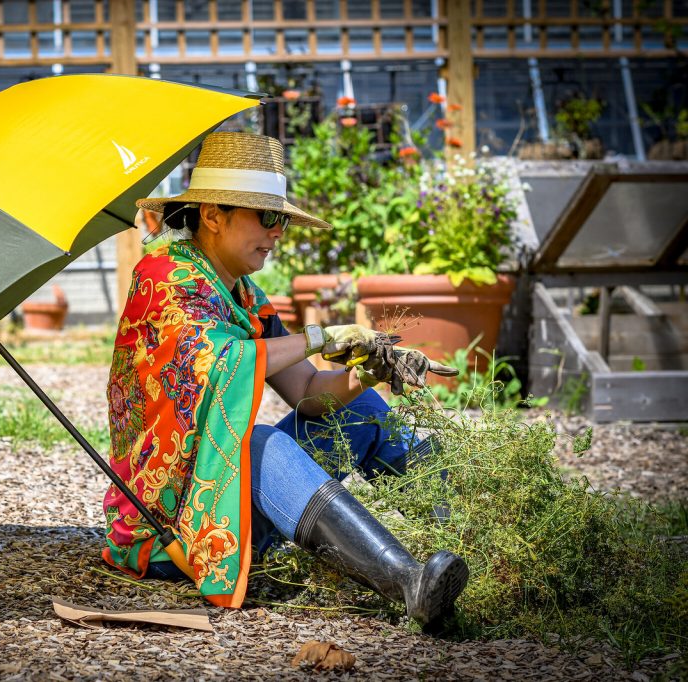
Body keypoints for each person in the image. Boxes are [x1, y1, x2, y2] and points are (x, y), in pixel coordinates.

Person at [101, 131, 468, 628]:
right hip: (170, 525)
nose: (278, 233)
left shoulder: (245, 296)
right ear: (212, 215)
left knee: (362, 412)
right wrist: (322, 335)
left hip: (233, 502)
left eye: (283, 221)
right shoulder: (164, 278)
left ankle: (477, 527)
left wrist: (365, 374)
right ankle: (407, 582)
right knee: (256, 441)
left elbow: (310, 394)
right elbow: (225, 362)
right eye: (268, 218)